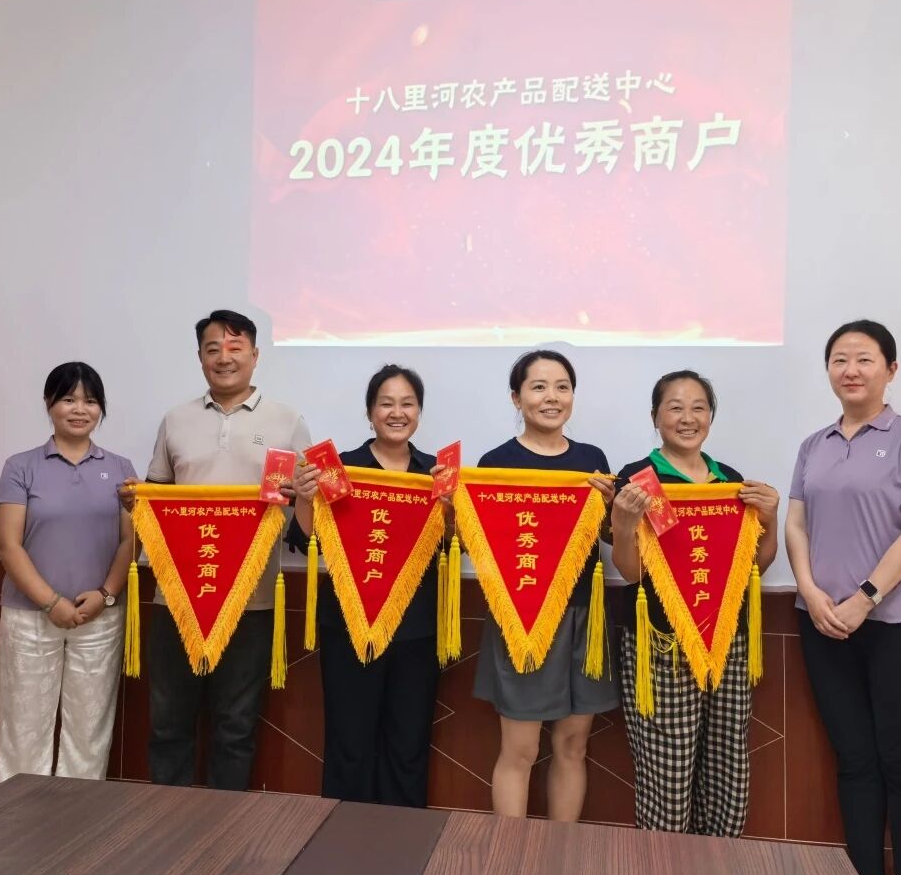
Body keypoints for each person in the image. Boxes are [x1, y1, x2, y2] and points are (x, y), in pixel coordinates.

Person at [785, 320, 901, 875]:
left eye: (864, 359)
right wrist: (809, 590)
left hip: (900, 624)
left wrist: (864, 599)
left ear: (890, 369)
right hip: (822, 622)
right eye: (839, 359)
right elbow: (796, 525)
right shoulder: (814, 445)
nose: (850, 370)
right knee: (853, 758)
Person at [121, 310, 311, 790]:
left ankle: (225, 825)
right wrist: (136, 501)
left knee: (235, 727)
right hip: (176, 598)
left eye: (235, 348)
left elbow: (310, 510)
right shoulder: (176, 420)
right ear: (200, 357)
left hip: (252, 600)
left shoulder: (288, 421)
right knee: (169, 724)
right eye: (213, 349)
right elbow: (157, 496)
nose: (224, 358)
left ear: (255, 355)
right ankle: (168, 819)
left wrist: (303, 494)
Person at [609, 370, 779, 835]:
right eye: (675, 407)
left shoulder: (731, 482)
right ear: (655, 416)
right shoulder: (637, 480)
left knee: (728, 760)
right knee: (667, 768)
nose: (688, 418)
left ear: (711, 417)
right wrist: (623, 524)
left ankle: (717, 864)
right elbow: (632, 573)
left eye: (699, 407)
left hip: (727, 639)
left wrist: (771, 516)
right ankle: (664, 868)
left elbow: (756, 564)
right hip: (661, 642)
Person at [288, 365, 447, 807]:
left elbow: (453, 543)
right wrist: (305, 497)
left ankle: (400, 834)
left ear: (419, 412)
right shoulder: (341, 468)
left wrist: (452, 510)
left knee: (408, 744)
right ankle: (342, 833)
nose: (397, 413)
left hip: (416, 629)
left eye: (407, 403)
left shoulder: (434, 473)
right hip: (349, 626)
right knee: (350, 742)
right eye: (386, 403)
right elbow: (307, 539)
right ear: (369, 412)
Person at [472, 350, 617, 820]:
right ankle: (512, 854)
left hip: (584, 616)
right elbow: (482, 545)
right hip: (523, 619)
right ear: (517, 398)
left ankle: (560, 851)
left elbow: (609, 536)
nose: (551, 397)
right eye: (538, 387)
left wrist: (616, 509)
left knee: (573, 745)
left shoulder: (592, 460)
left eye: (562, 387)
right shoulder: (496, 463)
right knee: (521, 749)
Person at [0, 362, 135, 782]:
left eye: (90, 401)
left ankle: (79, 818)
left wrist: (105, 595)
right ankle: (19, 817)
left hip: (100, 618)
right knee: (23, 730)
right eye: (68, 399)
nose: (79, 409)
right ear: (49, 404)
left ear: (101, 408)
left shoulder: (121, 469)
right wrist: (51, 602)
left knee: (88, 733)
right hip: (29, 618)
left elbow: (131, 541)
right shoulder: (21, 466)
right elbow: (8, 544)